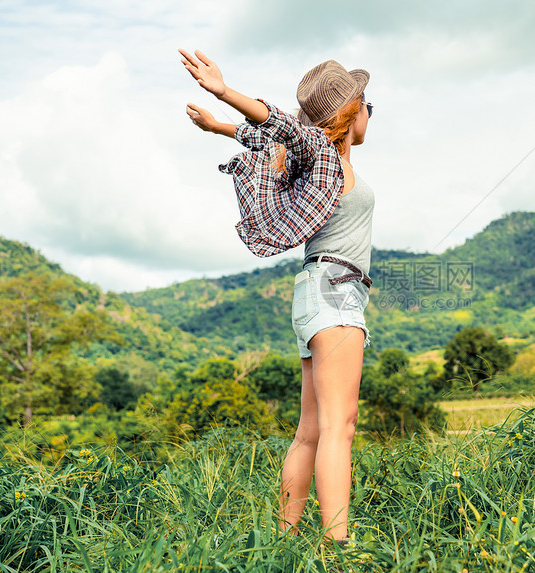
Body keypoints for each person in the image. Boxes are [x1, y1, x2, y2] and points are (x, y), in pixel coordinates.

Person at [179, 49, 375, 543]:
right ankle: (338, 546)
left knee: (311, 428)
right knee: (339, 427)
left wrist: (223, 127)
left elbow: (273, 141)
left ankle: (283, 542)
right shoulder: (323, 156)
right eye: (370, 103)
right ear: (352, 112)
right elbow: (282, 128)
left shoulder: (319, 163)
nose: (374, 113)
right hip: (335, 294)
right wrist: (225, 92)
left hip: (319, 293)